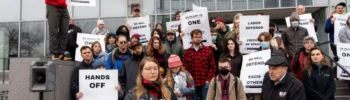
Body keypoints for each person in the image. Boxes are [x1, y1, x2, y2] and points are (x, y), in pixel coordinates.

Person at [183, 29, 216, 100]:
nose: (198, 39)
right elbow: (185, 69)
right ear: (192, 38)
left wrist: (208, 80)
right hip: (192, 84)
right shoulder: (187, 52)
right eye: (196, 37)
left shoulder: (208, 50)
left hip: (205, 83)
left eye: (199, 37)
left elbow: (212, 67)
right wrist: (189, 81)